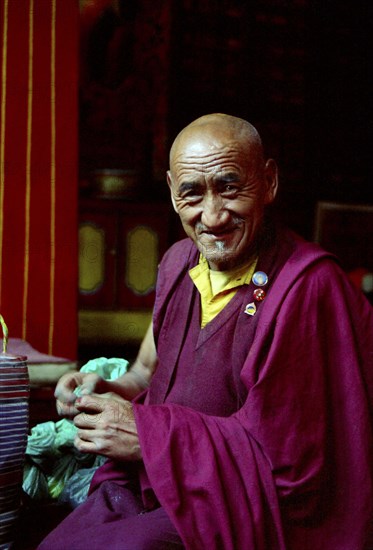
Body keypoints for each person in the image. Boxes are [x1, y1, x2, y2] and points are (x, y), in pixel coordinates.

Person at [39, 114, 373, 549]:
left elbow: (294, 467)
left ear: (269, 182)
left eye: (230, 187)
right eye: (192, 193)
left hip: (242, 510)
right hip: (161, 484)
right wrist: (102, 390)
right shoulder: (179, 264)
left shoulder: (308, 286)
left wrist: (150, 438)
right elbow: (144, 373)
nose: (212, 217)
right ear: (173, 194)